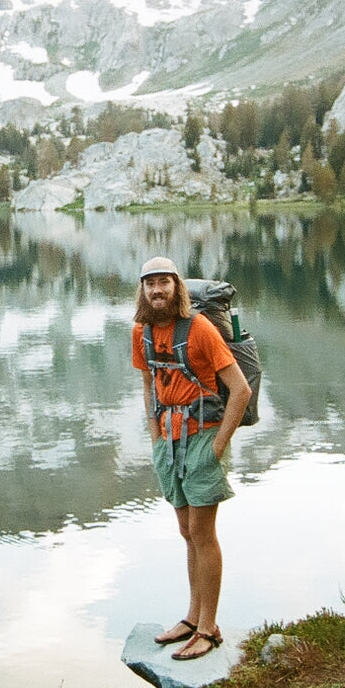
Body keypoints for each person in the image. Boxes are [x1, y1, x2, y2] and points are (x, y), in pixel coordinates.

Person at [131, 256, 251, 662]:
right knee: (186, 529)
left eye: (164, 282)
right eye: (150, 284)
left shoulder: (199, 329)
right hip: (168, 440)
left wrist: (218, 445)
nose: (157, 290)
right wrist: (154, 435)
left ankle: (208, 628)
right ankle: (192, 616)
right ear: (142, 290)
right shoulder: (141, 332)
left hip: (202, 436)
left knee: (202, 531)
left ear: (177, 287)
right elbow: (148, 384)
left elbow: (240, 390)